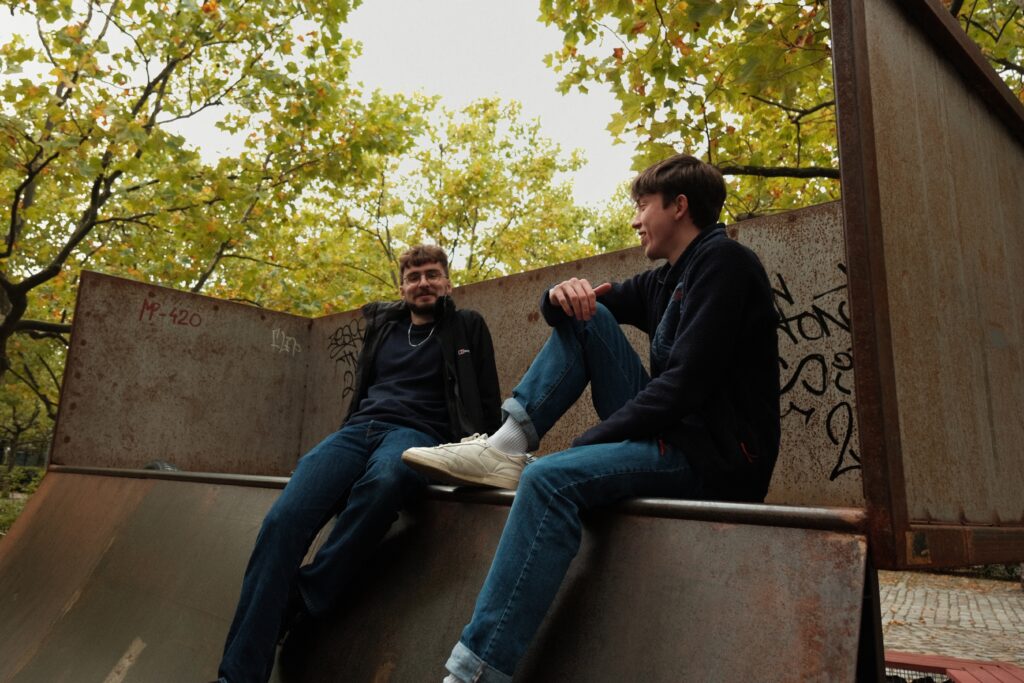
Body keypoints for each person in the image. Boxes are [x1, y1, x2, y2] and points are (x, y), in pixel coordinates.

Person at [402, 154, 781, 683]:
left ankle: (474, 675)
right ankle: (507, 444)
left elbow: (685, 386)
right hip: (677, 434)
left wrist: (587, 442)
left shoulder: (726, 265)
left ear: (679, 206)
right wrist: (560, 296)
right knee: (590, 316)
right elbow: (580, 313)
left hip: (715, 458)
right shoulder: (665, 279)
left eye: (642, 206)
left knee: (548, 480)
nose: (635, 220)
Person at [216, 245, 501, 683]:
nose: (423, 283)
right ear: (401, 286)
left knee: (386, 481)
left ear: (447, 281)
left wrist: (483, 452)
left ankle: (305, 595)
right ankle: (237, 677)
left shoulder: (467, 326)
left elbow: (485, 395)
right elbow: (363, 390)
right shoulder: (384, 328)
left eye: (432, 274)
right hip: (358, 431)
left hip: (419, 434)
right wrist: (346, 434)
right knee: (282, 523)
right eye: (413, 276)